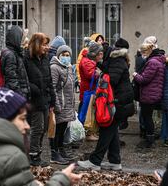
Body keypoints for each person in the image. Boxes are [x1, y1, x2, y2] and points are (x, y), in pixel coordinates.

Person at [77, 38, 134, 171]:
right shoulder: (116, 60)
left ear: (102, 54)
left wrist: (101, 73)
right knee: (112, 130)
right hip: (120, 101)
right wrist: (103, 68)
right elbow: (111, 71)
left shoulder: (117, 60)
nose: (98, 60)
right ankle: (115, 161)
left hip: (118, 102)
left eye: (98, 57)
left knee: (106, 130)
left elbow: (113, 79)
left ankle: (95, 161)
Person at [24, 33, 55, 167]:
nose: (46, 47)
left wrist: (52, 99)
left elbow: (49, 81)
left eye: (47, 44)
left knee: (43, 129)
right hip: (34, 100)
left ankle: (37, 153)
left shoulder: (45, 59)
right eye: (44, 44)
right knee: (37, 128)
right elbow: (24, 80)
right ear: (36, 45)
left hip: (45, 99)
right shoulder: (26, 59)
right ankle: (33, 155)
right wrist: (35, 89)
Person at [133, 37, 165, 148]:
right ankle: (149, 138)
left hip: (149, 94)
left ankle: (149, 140)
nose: (142, 55)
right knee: (148, 117)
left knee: (147, 117)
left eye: (143, 52)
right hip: (152, 93)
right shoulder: (157, 60)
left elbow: (144, 79)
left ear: (148, 51)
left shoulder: (152, 62)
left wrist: (135, 75)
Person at [50, 45, 76, 164]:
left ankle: (60, 150)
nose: (66, 57)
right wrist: (57, 105)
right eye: (63, 55)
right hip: (60, 105)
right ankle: (54, 153)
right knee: (57, 130)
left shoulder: (69, 67)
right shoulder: (55, 67)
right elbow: (53, 88)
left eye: (68, 55)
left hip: (67, 106)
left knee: (63, 129)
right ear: (59, 56)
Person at [78, 42, 103, 141]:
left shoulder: (88, 61)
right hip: (87, 91)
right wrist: (100, 73)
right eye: (100, 53)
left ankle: (90, 132)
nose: (101, 55)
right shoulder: (87, 62)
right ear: (95, 54)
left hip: (88, 90)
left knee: (89, 112)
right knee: (87, 112)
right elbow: (91, 75)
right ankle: (87, 133)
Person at [3, 25, 31, 100]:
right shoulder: (10, 55)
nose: (22, 41)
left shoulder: (15, 52)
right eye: (21, 38)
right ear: (16, 38)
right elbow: (12, 79)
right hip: (17, 97)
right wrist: (20, 96)